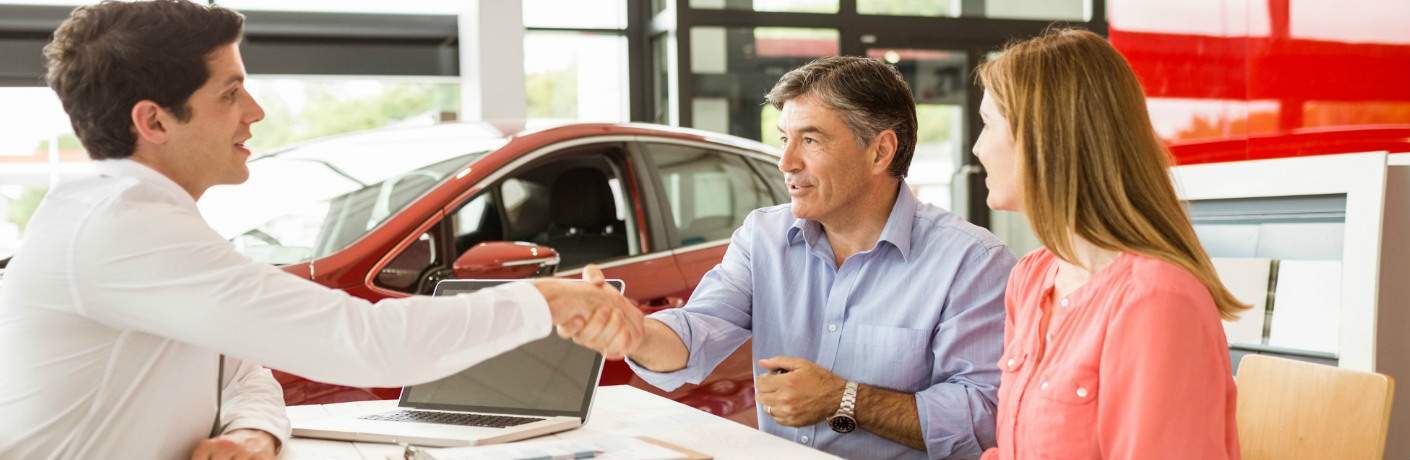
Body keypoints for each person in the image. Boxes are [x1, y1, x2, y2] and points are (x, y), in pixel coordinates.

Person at [0, 2, 643, 459]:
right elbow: (366, 343)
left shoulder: (141, 218)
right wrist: (549, 300)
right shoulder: (119, 229)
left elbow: (241, 373)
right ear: (156, 121)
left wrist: (255, 434)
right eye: (230, 94)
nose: (255, 112)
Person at [564, 56, 1015, 459]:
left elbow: (984, 415)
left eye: (811, 140)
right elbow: (699, 329)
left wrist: (846, 399)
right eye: (784, 138)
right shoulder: (764, 236)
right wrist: (636, 331)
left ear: (880, 151)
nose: (785, 161)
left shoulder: (972, 261)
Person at [972, 29, 1244, 459]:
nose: (977, 147)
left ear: (1044, 138)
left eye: (988, 125)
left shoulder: (1155, 301)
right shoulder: (1031, 277)